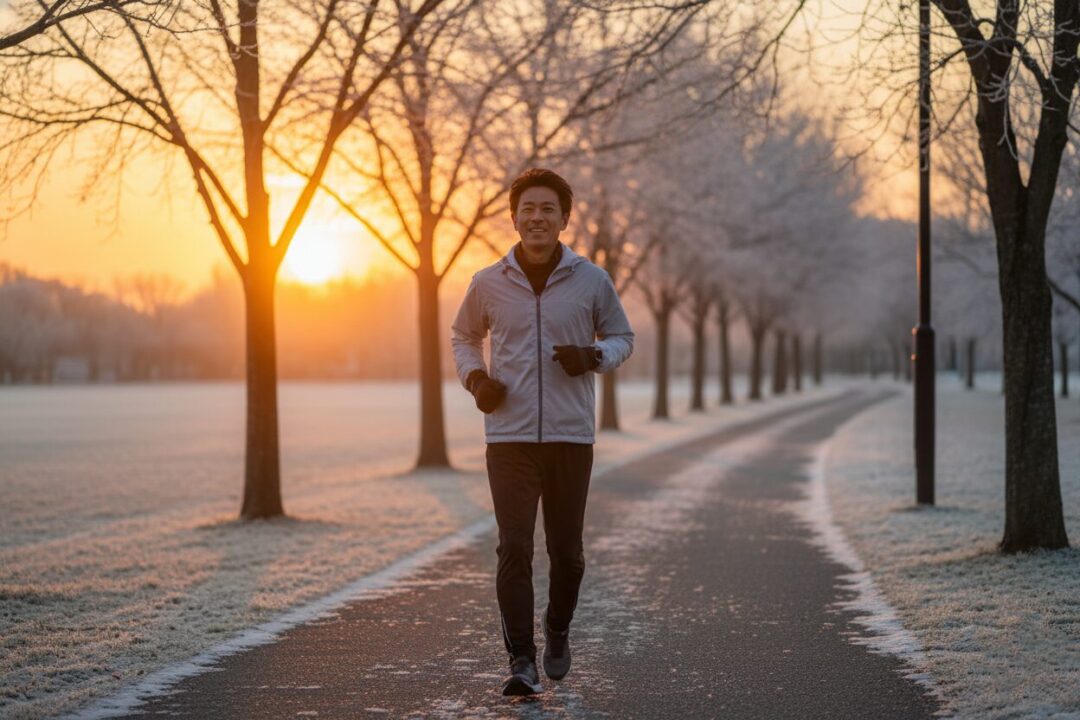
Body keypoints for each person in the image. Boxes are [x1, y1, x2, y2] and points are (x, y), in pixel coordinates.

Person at [451, 168, 634, 696]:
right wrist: (476, 378)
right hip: (507, 438)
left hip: (570, 437)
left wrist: (593, 355)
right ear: (513, 218)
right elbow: (463, 337)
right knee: (513, 547)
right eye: (527, 209)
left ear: (563, 219)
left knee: (567, 552)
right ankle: (521, 660)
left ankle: (557, 631)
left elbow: (623, 335)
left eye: (547, 209)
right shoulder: (487, 282)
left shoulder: (591, 280)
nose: (536, 217)